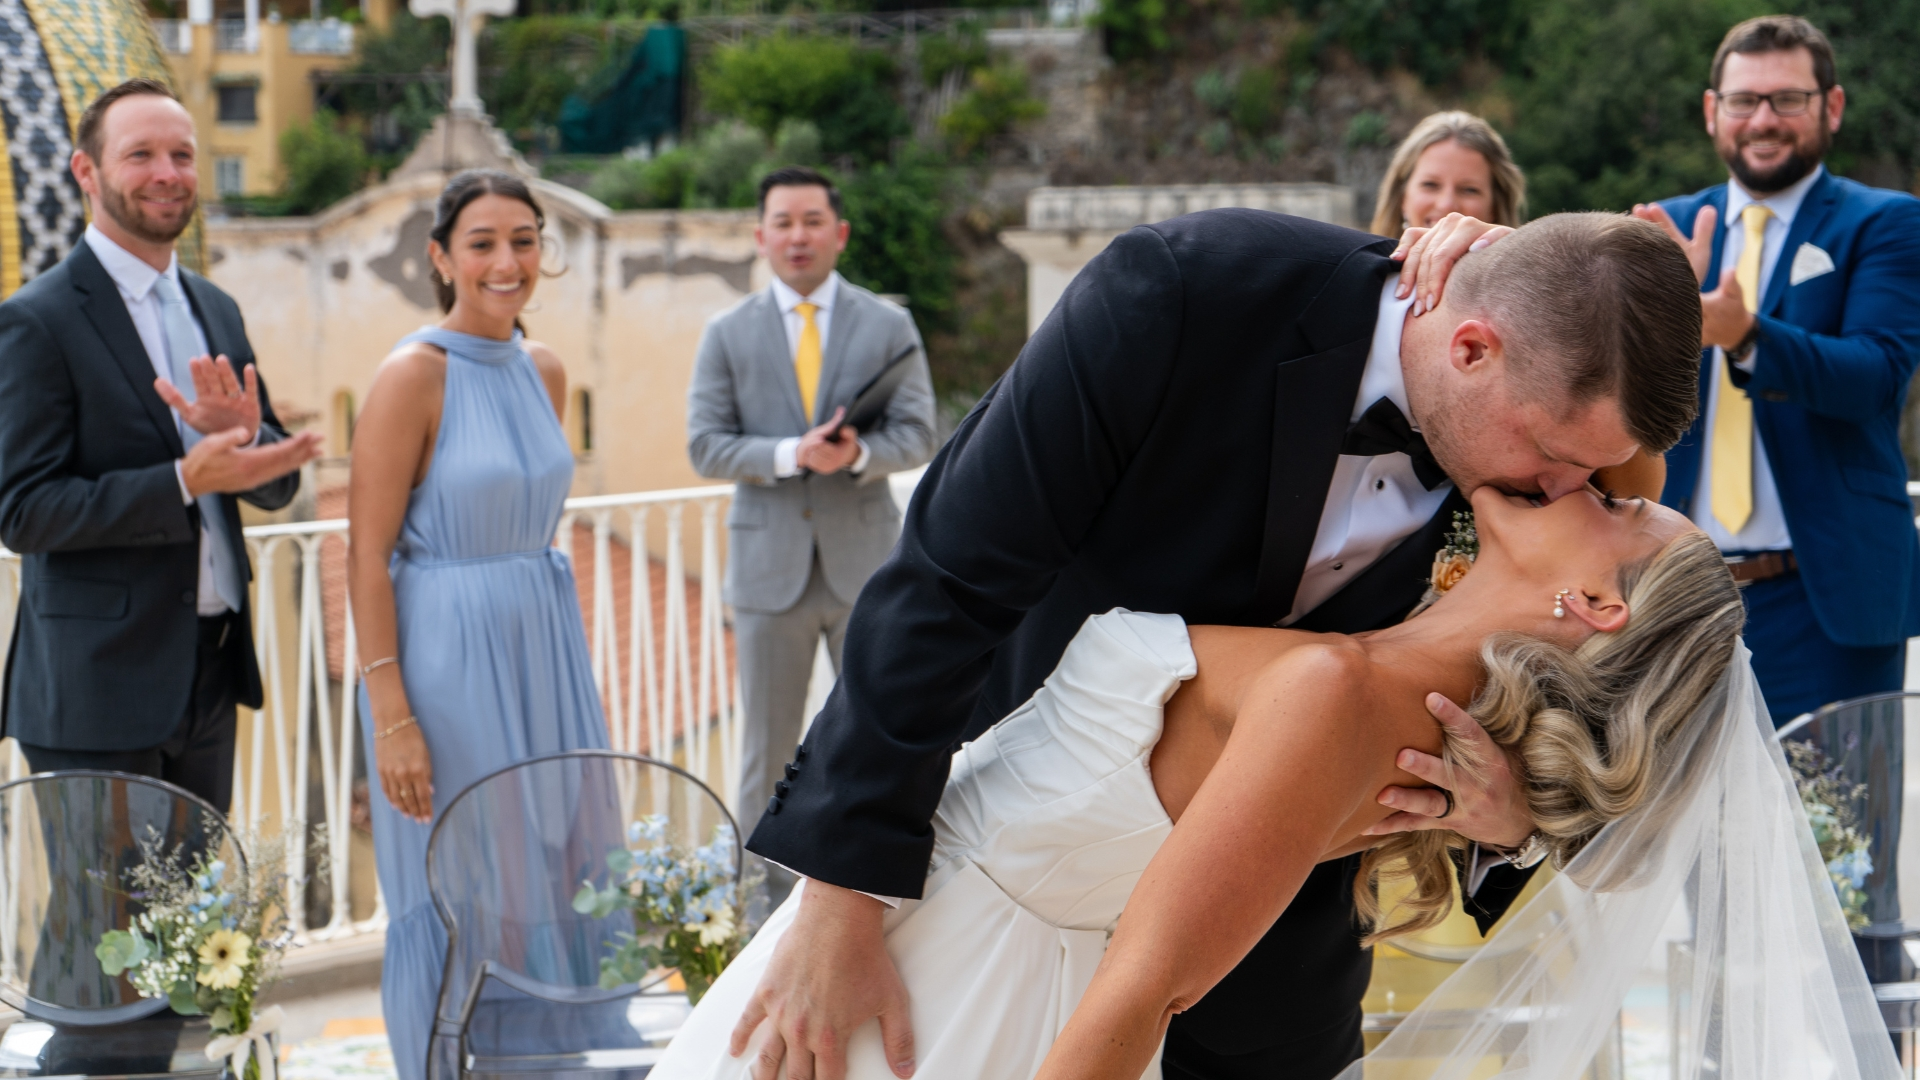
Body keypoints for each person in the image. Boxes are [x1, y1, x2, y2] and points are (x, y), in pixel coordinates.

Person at [732, 207, 1705, 1080]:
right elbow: (951, 577)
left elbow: (1625, 625)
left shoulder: (1532, 477)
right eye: (1554, 457)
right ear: (1470, 349)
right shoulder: (1183, 292)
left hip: (1274, 976)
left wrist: (1512, 826)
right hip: (996, 885)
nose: (1565, 488)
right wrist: (839, 901)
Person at [659, 482, 1860, 1078]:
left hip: (949, 971)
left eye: (1613, 502)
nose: (1587, 476)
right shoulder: (1414, 707)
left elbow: (1147, 998)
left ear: (1594, 605)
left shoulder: (1342, 699)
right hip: (930, 930)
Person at [346, 170, 611, 1080]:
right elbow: (366, 556)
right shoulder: (410, 375)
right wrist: (393, 716)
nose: (508, 261)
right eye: (484, 243)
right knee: (458, 885)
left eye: (525, 240)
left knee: (548, 873)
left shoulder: (546, 369)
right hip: (446, 659)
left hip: (543, 643)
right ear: (441, 258)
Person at [0, 78, 322, 811]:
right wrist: (182, 479)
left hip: (210, 671)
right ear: (88, 172)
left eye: (182, 154)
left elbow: (263, 482)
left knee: (199, 922)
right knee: (100, 925)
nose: (167, 174)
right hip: (97, 688)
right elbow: (23, 511)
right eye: (140, 154)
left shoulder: (216, 307)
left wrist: (251, 447)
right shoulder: (37, 320)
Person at [1631, 15, 1920, 725]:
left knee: (1838, 835)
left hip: (1826, 604)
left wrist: (1746, 335)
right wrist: (1647, 330)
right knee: (1684, 835)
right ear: (1712, 112)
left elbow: (1874, 375)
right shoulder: (1663, 228)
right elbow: (1612, 408)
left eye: (1786, 100)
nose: (1763, 120)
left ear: (1832, 106)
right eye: (1743, 101)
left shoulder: (1886, 222)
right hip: (1673, 598)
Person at [687, 166, 937, 875]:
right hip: (768, 577)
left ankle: (868, 902)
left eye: (813, 221)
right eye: (784, 223)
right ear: (761, 235)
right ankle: (752, 926)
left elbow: (920, 433)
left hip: (867, 569)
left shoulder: (890, 325)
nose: (798, 236)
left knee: (880, 742)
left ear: (840, 233)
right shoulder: (726, 333)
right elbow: (705, 445)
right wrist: (788, 453)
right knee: (764, 756)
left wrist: (859, 453)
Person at [1370, 111, 1526, 237]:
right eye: (1430, 185)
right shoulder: (1356, 275)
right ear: (1403, 197)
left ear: (1495, 207)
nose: (1447, 205)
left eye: (1469, 190)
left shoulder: (1525, 276)